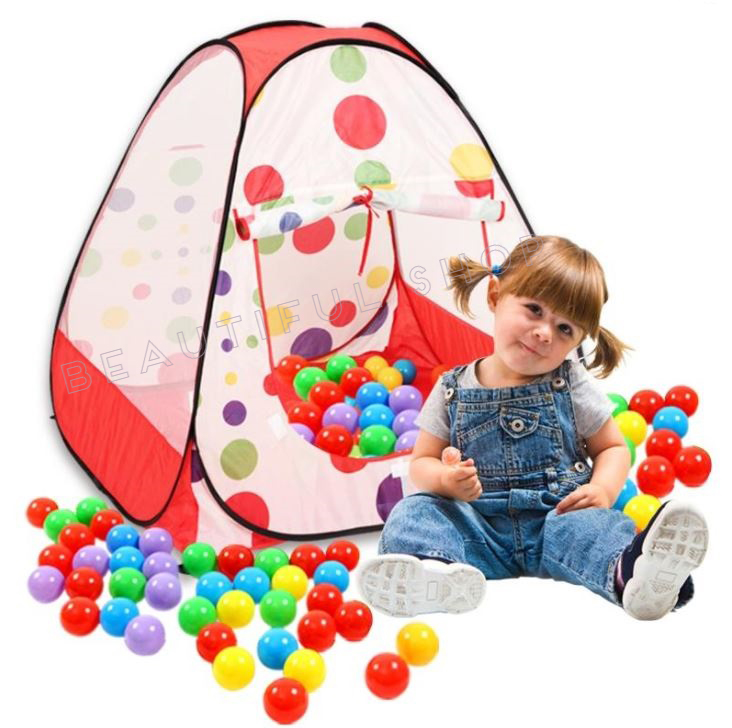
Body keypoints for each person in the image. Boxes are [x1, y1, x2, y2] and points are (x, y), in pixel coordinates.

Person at [359, 236, 708, 620]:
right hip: (479, 528)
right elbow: (421, 462)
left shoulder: (570, 382)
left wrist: (603, 490)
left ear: (578, 341)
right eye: (534, 309)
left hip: (557, 519)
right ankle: (434, 571)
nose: (544, 333)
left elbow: (612, 447)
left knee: (597, 530)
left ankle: (634, 576)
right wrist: (446, 480)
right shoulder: (450, 388)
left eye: (564, 329)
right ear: (495, 295)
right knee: (414, 512)